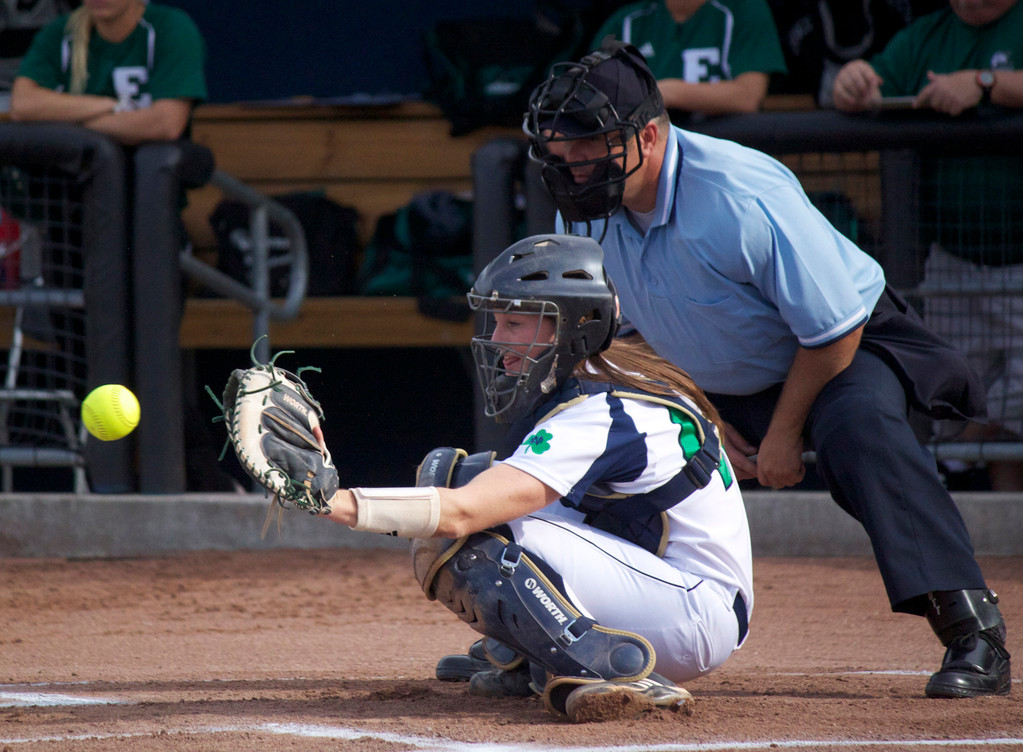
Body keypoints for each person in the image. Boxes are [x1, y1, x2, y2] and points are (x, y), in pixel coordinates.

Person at [516, 39, 1010, 698]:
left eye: (587, 150)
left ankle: (971, 629)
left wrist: (781, 436)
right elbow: (629, 340)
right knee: (599, 428)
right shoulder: (587, 206)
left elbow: (832, 329)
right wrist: (709, 419)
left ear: (651, 136)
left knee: (859, 429)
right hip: (715, 374)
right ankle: (530, 626)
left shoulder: (737, 191)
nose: (571, 169)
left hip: (841, 352)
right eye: (559, 155)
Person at [312, 234, 753, 722]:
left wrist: (328, 500)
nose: (498, 338)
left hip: (692, 617)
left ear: (572, 327)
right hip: (670, 589)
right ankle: (541, 653)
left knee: (476, 530)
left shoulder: (605, 410)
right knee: (465, 477)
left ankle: (607, 667)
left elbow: (462, 514)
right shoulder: (603, 376)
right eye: (497, 320)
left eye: (515, 322)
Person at [831, 0, 1023, 490]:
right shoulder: (926, 35)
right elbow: (866, 86)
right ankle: (981, 538)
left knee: (1009, 411)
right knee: (949, 405)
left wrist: (985, 84)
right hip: (953, 263)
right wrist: (854, 80)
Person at [9, 0, 207, 144]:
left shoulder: (172, 27)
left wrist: (71, 121)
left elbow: (166, 124)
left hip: (146, 180)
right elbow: (22, 104)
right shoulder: (60, 32)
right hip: (71, 186)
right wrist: (111, 106)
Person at [589, 0, 787, 116]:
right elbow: (592, 99)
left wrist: (668, 92)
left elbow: (748, 96)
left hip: (725, 157)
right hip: (645, 162)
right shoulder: (625, 22)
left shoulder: (745, 9)